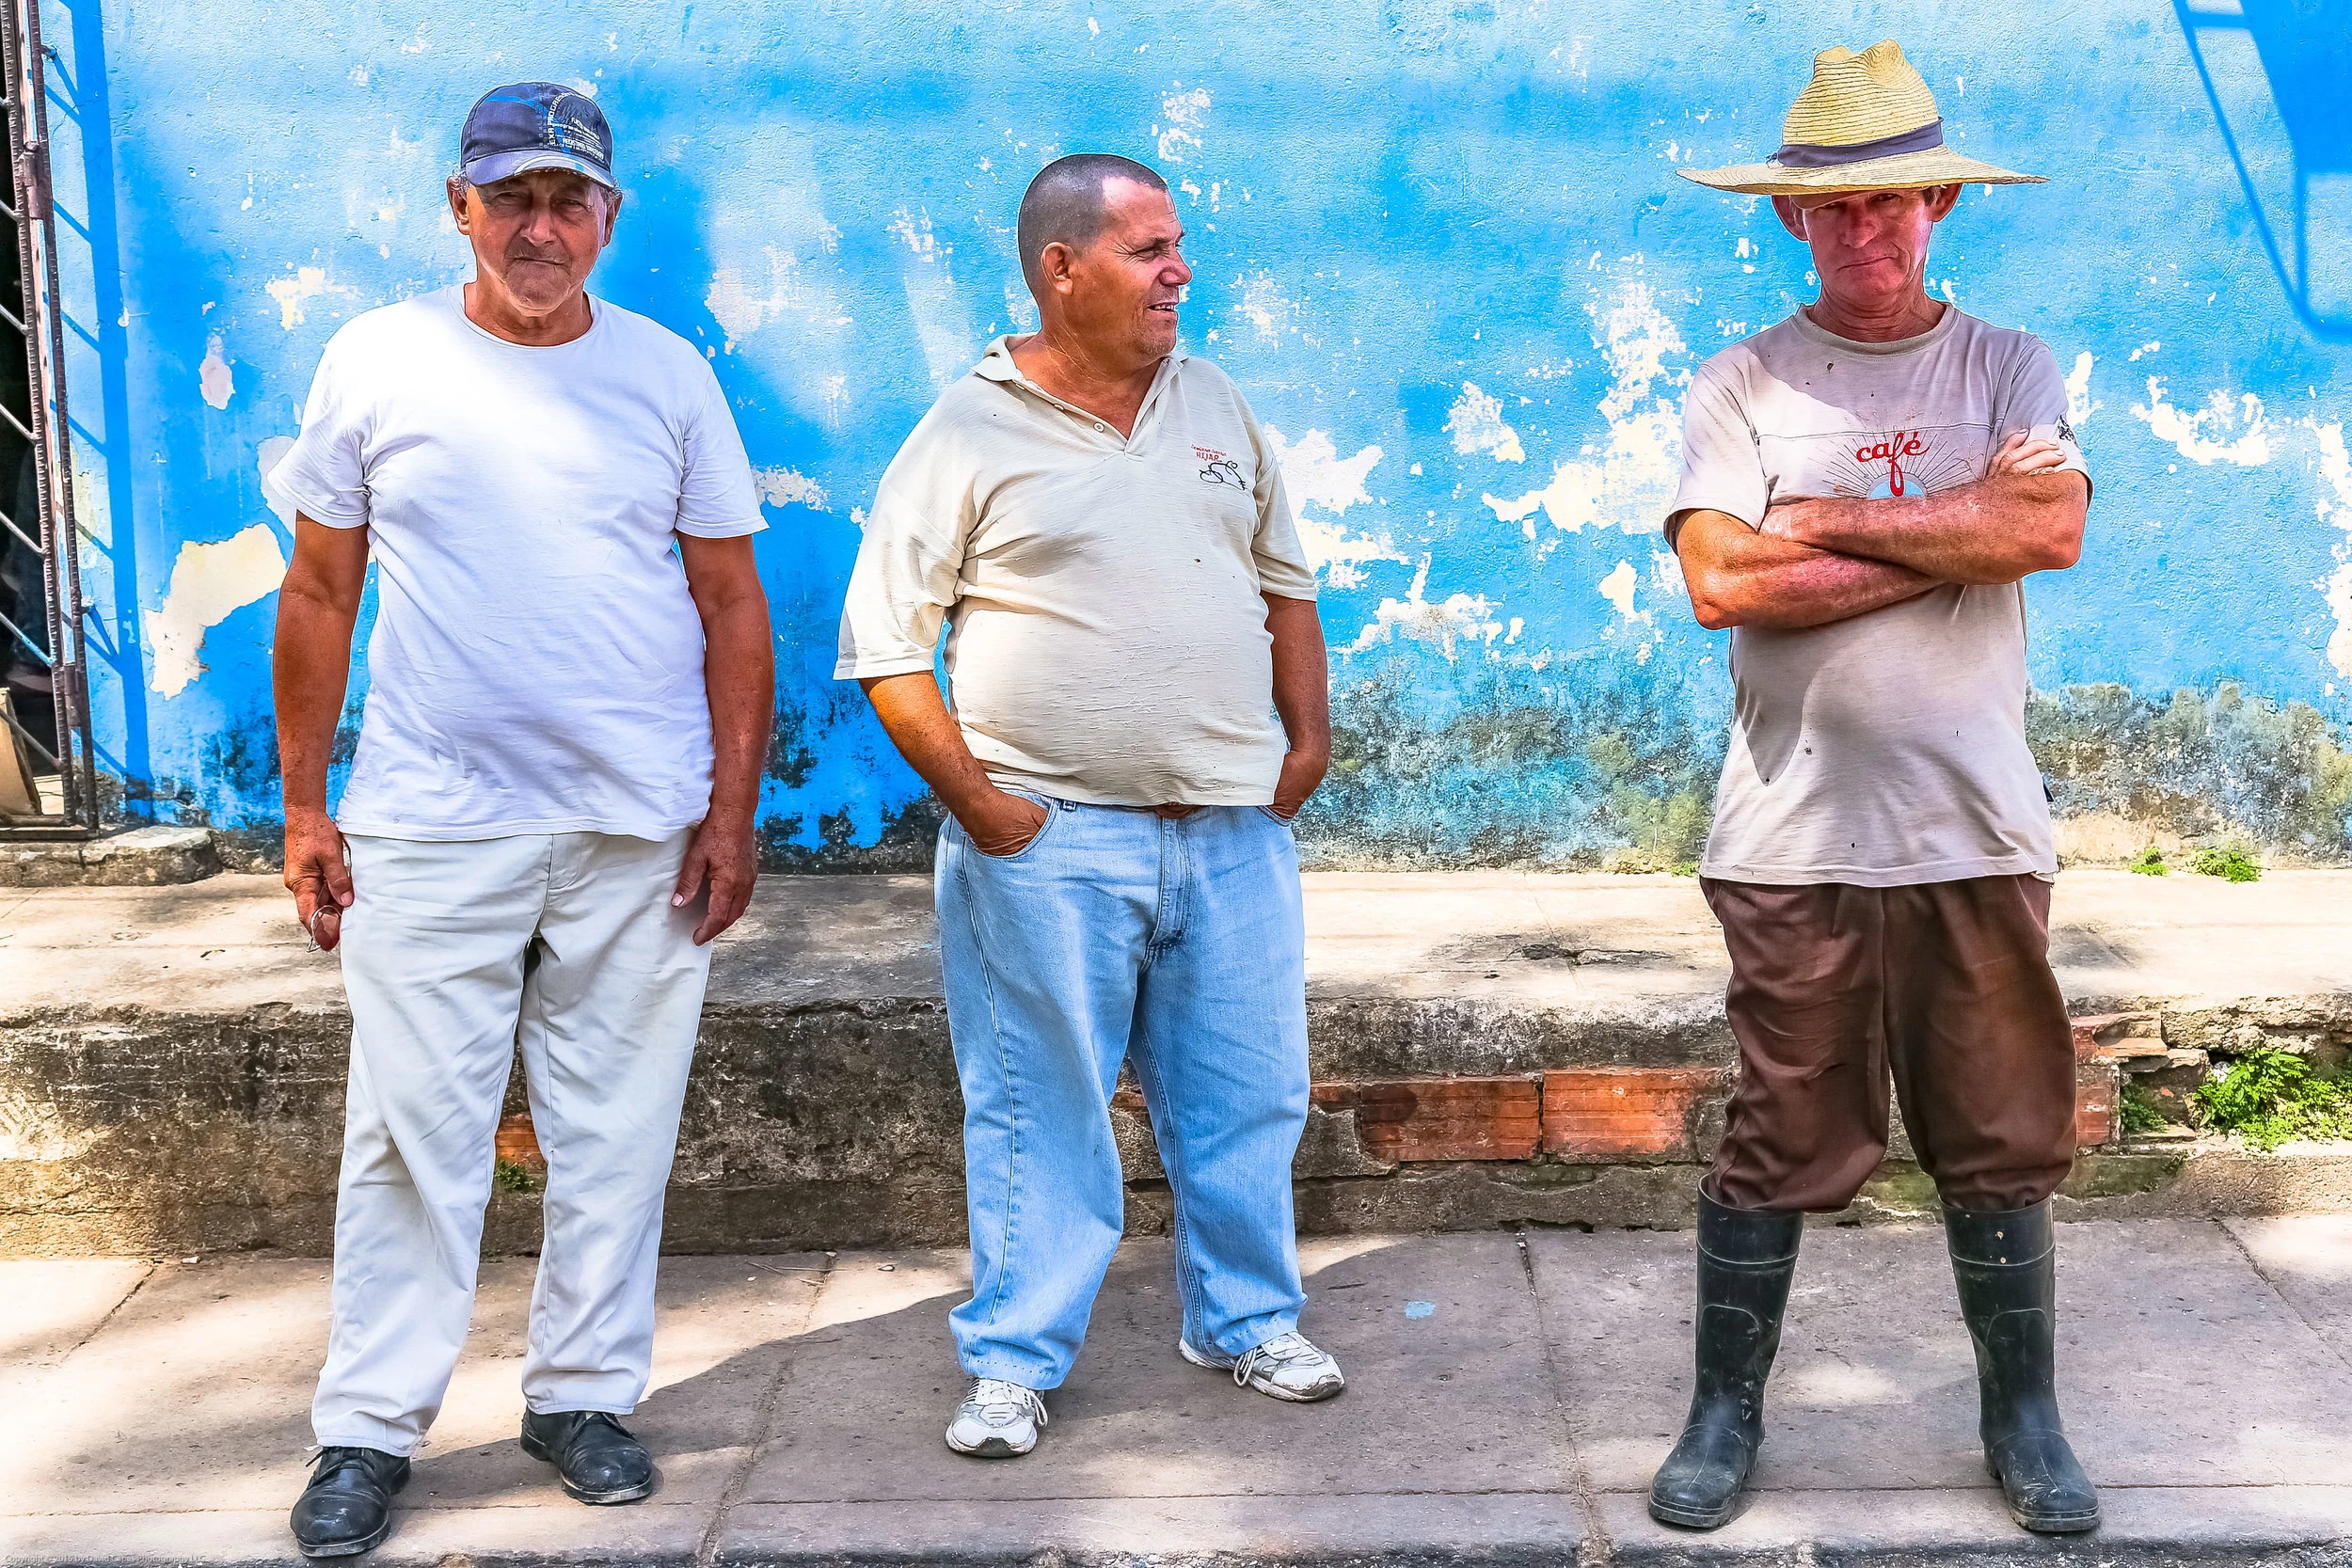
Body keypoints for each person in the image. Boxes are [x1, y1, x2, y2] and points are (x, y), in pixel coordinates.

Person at [266, 82, 773, 1557]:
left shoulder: (667, 374)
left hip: (639, 820)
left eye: (570, 202)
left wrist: (730, 811)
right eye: (513, 199)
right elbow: (318, 590)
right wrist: (305, 805)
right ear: (459, 205)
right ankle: (367, 1429)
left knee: (617, 1129)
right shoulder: (378, 359)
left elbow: (731, 599)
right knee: (409, 1136)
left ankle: (582, 1398)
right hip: (430, 819)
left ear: (608, 218)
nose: (541, 229)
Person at [1653, 41, 2097, 1536]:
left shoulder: (2012, 366)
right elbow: (1721, 579)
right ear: (1793, 221)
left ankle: (2024, 1417)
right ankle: (1723, 1413)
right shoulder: (1743, 377)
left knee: (1998, 1130)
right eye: (1840, 210)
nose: (1873, 229)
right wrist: (1944, 523)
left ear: (1943, 204)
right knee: (1780, 1133)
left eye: (1900, 201)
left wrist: (1825, 516)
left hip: (1973, 824)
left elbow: (2044, 533)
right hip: (1793, 834)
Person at [836, 152, 1343, 1459]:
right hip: (1051, 834)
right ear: (1062, 270)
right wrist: (987, 810)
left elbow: (1286, 581)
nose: (1181, 269)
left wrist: (1309, 735)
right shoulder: (967, 428)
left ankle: (1243, 1320)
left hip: (1228, 828)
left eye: (1179, 245)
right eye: (1147, 249)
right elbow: (889, 647)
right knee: (1036, 1102)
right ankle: (1014, 1357)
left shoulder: (1216, 401)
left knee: (1248, 1095)